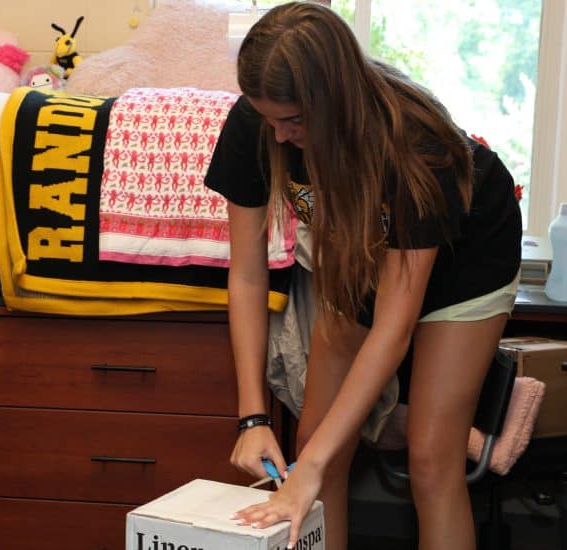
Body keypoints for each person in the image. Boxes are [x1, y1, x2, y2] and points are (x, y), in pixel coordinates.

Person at [203, 3, 522, 549]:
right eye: (270, 118)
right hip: (363, 247)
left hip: (470, 257)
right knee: (317, 450)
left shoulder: (415, 147)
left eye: (295, 121)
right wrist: (251, 416)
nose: (279, 137)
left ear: (335, 102)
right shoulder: (260, 123)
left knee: (430, 458)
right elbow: (249, 277)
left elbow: (393, 331)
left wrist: (310, 467)